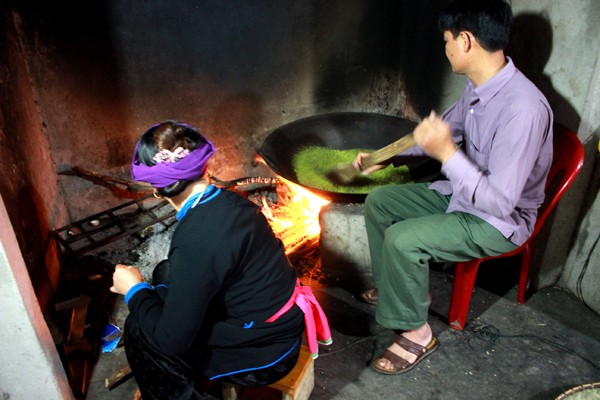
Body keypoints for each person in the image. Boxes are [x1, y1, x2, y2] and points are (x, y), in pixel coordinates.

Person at [353, 0, 553, 375]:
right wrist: (387, 156)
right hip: (464, 198)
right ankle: (404, 294)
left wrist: (447, 153)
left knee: (402, 239)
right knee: (381, 201)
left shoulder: (522, 109)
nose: (444, 48)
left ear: (464, 40)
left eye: (446, 39)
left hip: (499, 222)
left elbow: (500, 202)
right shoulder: (479, 87)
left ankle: (417, 332)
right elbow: (440, 132)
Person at [111, 121, 331, 399]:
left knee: (139, 329)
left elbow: (171, 342)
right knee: (165, 272)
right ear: (205, 168)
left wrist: (132, 290)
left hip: (264, 355)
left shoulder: (195, 237)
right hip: (281, 325)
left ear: (158, 190)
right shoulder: (233, 203)